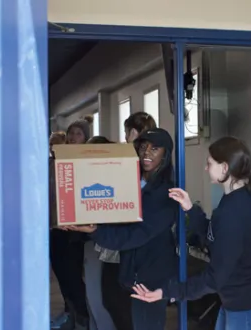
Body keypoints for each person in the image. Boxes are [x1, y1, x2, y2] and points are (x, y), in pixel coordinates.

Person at [131, 136, 251, 330]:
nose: (206, 168)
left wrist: (166, 292)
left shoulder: (233, 211)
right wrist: (190, 208)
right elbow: (216, 236)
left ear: (225, 168)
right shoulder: (240, 197)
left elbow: (215, 278)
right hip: (240, 303)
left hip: (248, 307)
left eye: (209, 163)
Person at [65, 128, 179, 330]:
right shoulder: (131, 182)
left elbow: (134, 234)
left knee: (143, 323)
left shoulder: (165, 194)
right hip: (129, 270)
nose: (147, 153)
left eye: (155, 148)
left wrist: (95, 231)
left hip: (151, 277)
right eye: (143, 147)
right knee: (115, 309)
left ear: (166, 153)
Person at [99, 112, 158, 330]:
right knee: (113, 300)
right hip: (119, 238)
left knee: (120, 301)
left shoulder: (147, 162)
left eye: (128, 133)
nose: (125, 138)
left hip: (131, 241)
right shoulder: (130, 158)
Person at [50, 116, 94, 329]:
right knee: (60, 271)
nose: (73, 137)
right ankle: (70, 312)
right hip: (56, 227)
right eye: (71, 133)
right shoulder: (56, 161)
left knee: (73, 274)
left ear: (86, 138)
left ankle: (83, 316)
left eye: (79, 133)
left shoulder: (88, 161)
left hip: (77, 231)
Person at [82, 135, 119, 330]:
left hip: (109, 246)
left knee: (100, 300)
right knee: (93, 299)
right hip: (92, 243)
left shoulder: (117, 183)